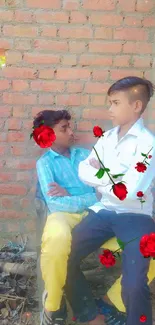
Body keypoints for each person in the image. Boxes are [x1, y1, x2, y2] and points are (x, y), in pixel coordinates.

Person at [61, 76, 155, 325]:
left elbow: (132, 190)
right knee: (62, 258)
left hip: (137, 216)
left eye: (115, 103)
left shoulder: (148, 144)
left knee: (135, 285)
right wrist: (114, 181)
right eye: (109, 103)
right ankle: (91, 315)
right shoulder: (107, 138)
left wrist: (100, 177)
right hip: (103, 211)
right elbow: (84, 170)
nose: (109, 109)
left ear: (136, 106)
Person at [35, 110, 117, 325]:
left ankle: (115, 300)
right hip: (62, 216)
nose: (71, 132)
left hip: (96, 215)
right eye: (64, 128)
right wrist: (90, 196)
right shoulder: (45, 164)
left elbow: (106, 191)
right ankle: (52, 305)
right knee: (56, 240)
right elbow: (55, 203)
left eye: (70, 127)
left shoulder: (85, 156)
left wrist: (72, 194)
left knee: (147, 246)